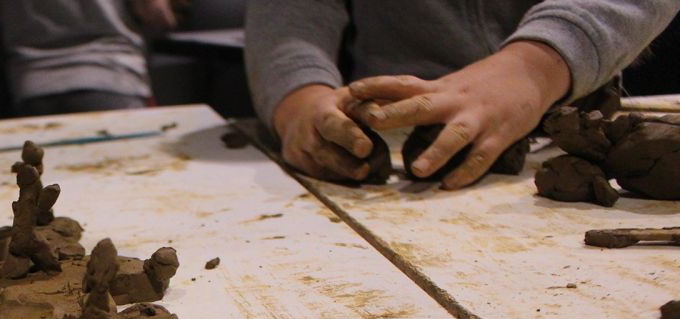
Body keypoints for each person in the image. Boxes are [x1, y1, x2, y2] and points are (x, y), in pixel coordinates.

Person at [244, 0, 680, 187]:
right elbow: (289, 16)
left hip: (575, 103)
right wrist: (298, 98)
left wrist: (533, 69)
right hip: (390, 126)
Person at [0, 0, 179, 116]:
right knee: (128, 183)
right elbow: (153, 11)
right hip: (111, 75)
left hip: (34, 82)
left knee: (47, 185)